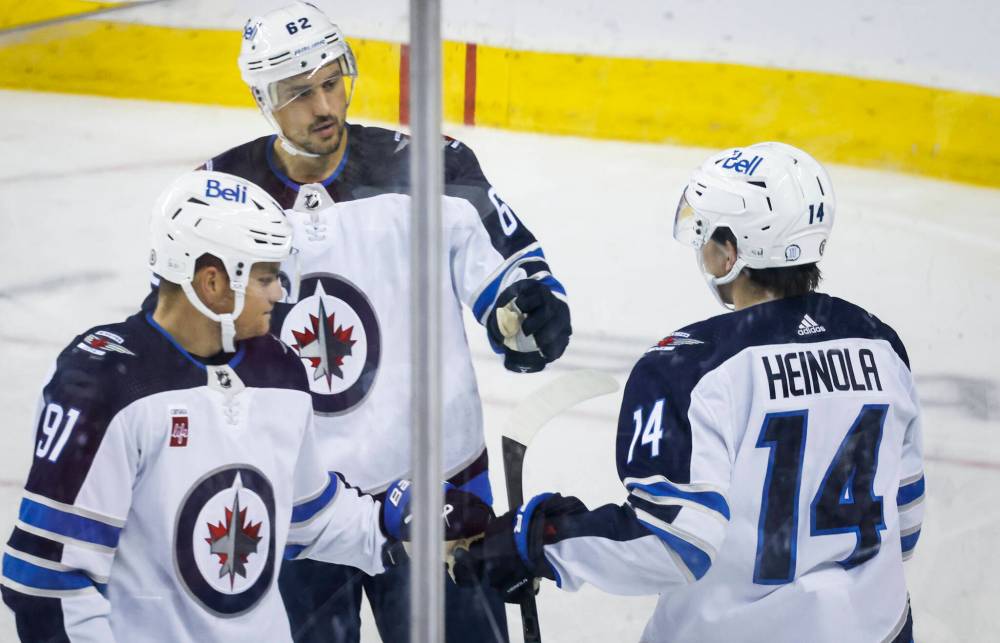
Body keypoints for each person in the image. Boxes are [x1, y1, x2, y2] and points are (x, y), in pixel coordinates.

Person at [198, 3, 573, 641]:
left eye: (332, 80)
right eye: (298, 93)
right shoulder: (219, 193)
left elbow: (511, 275)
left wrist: (529, 312)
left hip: (440, 497)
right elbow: (188, 341)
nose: (324, 106)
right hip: (295, 510)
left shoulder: (430, 165)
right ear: (263, 98)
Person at [457, 142, 925, 642]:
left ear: (730, 252)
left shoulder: (690, 369)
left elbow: (674, 543)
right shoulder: (880, 345)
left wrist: (542, 541)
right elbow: (906, 524)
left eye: (706, 234)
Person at [0, 171, 488, 642]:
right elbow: (46, 580)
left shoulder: (278, 372)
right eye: (266, 277)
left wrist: (394, 525)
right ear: (211, 282)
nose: (281, 292)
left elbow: (307, 518)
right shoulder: (106, 384)